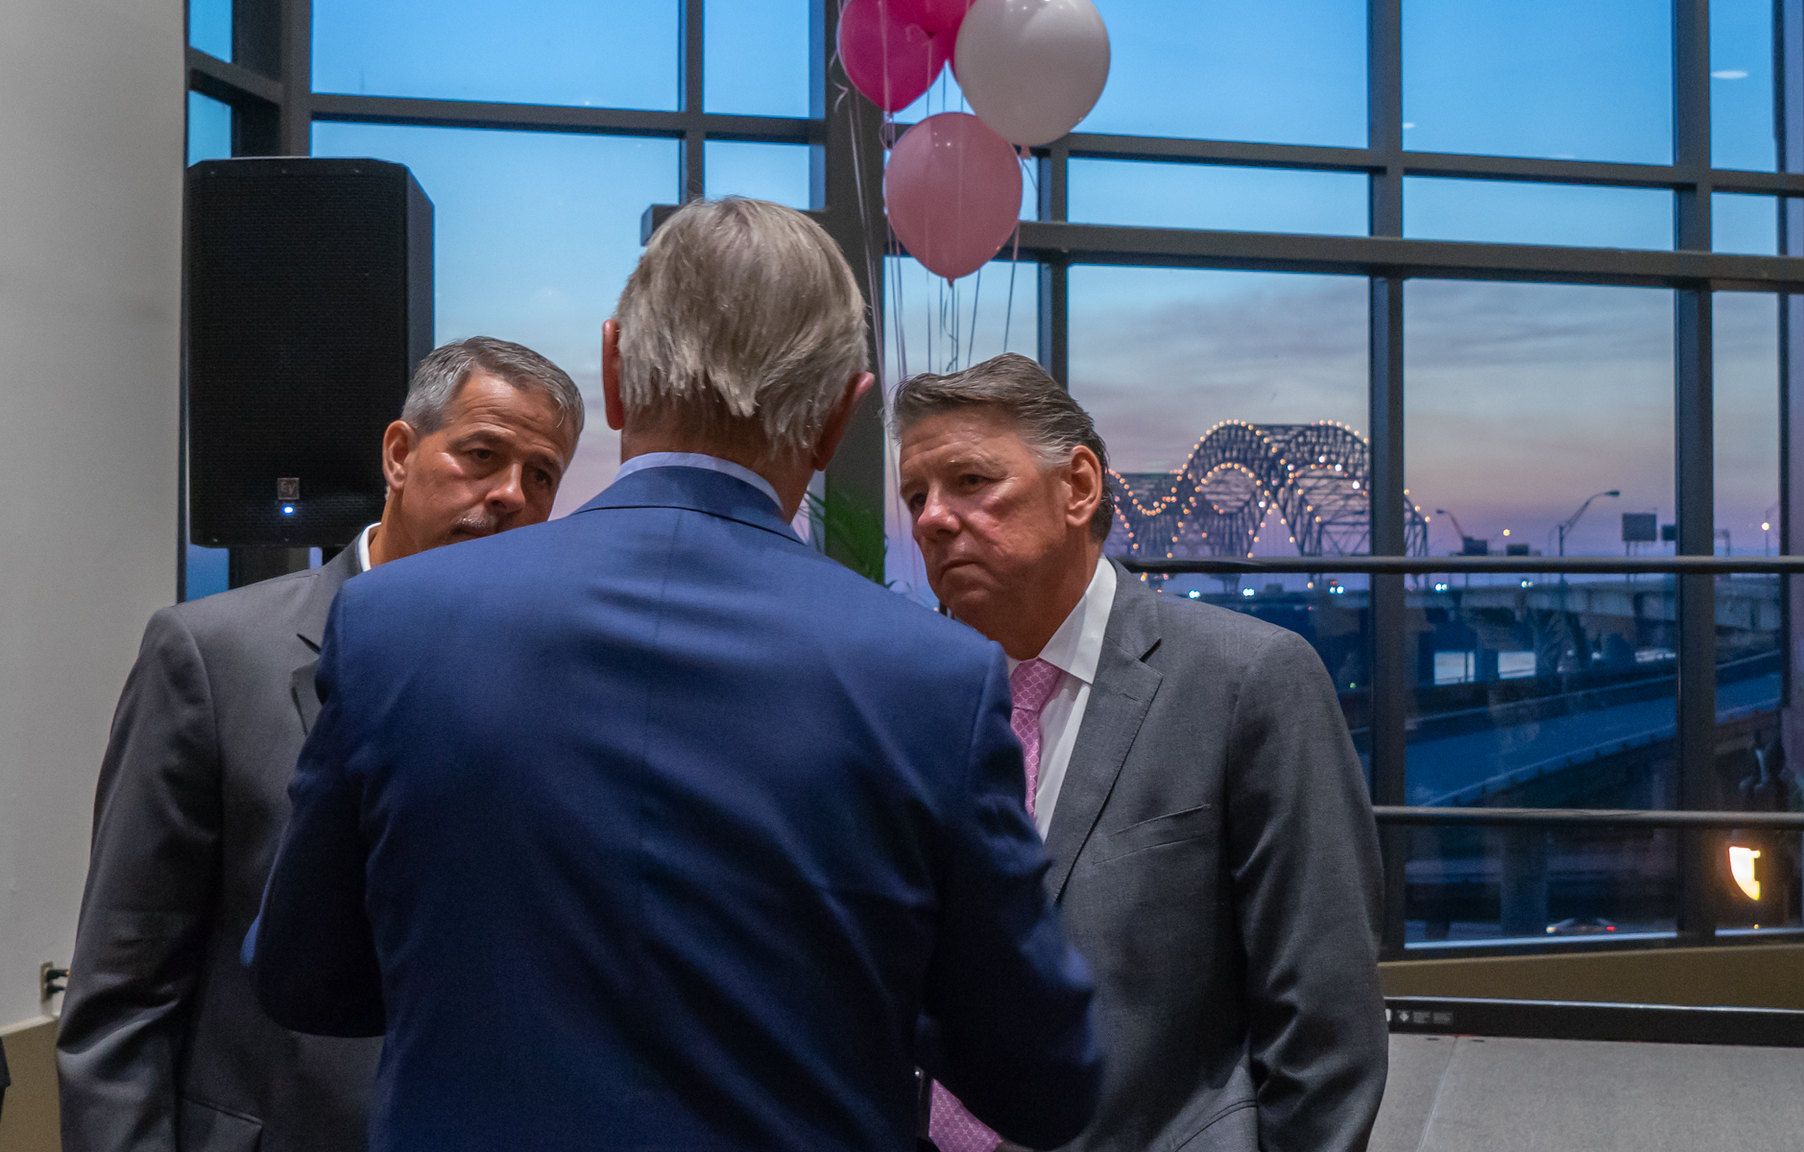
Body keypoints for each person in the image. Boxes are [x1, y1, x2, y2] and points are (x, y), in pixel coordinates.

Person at [247, 198, 1102, 1152]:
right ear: (839, 417)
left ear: (613, 372)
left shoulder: (393, 623)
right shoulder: (935, 678)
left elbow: (302, 977)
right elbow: (1044, 1081)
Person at [58, 336, 583, 1152]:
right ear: (400, 454)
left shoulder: (552, 687)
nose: (512, 495)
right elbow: (122, 992)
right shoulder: (213, 655)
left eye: (542, 476)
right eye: (483, 455)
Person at [893, 353, 1389, 1152]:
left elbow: (1325, 1025)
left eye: (971, 481)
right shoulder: (914, 701)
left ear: (1079, 487)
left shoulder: (1247, 680)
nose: (932, 519)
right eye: (917, 496)